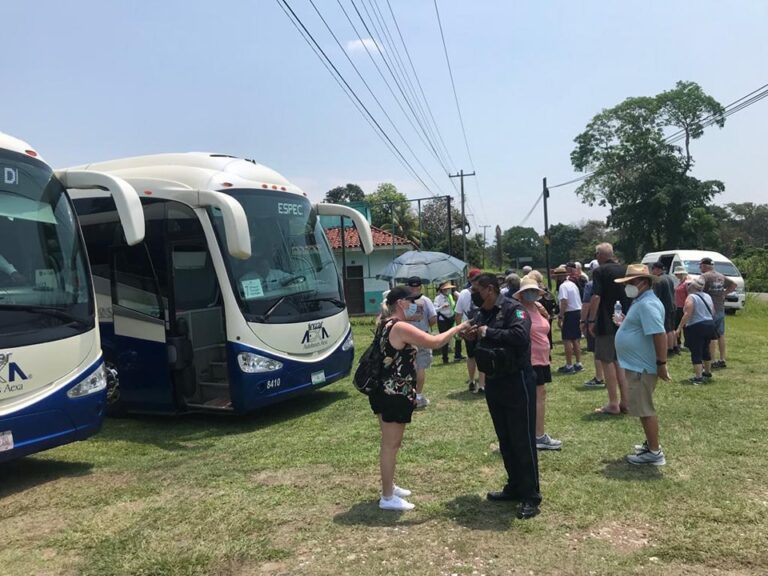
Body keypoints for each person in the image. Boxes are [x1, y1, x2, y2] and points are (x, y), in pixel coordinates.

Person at [370, 286, 469, 510]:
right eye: (412, 300)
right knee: (390, 445)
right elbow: (434, 342)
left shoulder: (386, 323)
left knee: (390, 443)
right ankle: (387, 497)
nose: (418, 304)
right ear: (401, 303)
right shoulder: (400, 326)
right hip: (393, 393)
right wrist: (459, 327)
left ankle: (389, 486)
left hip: (385, 391)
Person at [464, 273, 541, 519]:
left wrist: (488, 333)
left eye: (476, 289)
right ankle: (514, 486)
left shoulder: (512, 310)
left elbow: (519, 337)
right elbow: (478, 347)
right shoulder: (480, 314)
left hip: (517, 380)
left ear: (490, 289)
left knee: (522, 439)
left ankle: (531, 495)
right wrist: (470, 337)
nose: (473, 293)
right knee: (505, 438)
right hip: (494, 382)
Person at [613, 264, 670, 465]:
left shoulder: (647, 304)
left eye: (631, 282)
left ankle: (654, 453)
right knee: (642, 407)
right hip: (638, 365)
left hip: (642, 367)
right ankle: (650, 445)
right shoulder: (642, 301)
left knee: (645, 410)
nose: (628, 286)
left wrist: (662, 363)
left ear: (644, 283)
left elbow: (659, 334)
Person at [513, 277, 562, 451]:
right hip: (531, 359)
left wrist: (545, 314)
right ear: (521, 294)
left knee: (539, 396)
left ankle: (536, 434)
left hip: (542, 359)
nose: (531, 293)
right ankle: (537, 436)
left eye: (534, 290)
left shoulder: (537, 308)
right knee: (535, 397)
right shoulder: (520, 311)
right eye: (528, 291)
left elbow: (545, 326)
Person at [586, 243, 630, 415]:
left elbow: (596, 296)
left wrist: (590, 320)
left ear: (599, 255)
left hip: (606, 321)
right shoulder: (625, 269)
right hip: (624, 321)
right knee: (620, 361)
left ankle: (613, 403)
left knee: (606, 360)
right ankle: (626, 401)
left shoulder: (599, 271)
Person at [676, 277, 716, 384]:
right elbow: (713, 311)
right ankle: (707, 372)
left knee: (696, 350)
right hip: (709, 324)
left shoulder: (691, 297)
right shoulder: (708, 296)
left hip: (697, 326)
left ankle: (698, 377)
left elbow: (688, 313)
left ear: (693, 286)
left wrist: (679, 327)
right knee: (705, 349)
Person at [405, 277, 437, 408]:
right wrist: (427, 326)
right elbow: (433, 318)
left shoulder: (404, 301)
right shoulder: (425, 300)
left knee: (409, 366)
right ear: (420, 287)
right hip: (422, 336)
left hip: (407, 337)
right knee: (421, 367)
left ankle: (408, 394)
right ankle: (418, 396)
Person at [699, 257, 737, 369]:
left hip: (709, 309)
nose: (700, 268)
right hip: (720, 308)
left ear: (705, 266)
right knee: (721, 335)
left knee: (710, 336)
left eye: (700, 265)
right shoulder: (720, 276)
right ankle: (722, 359)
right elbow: (733, 285)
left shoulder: (704, 277)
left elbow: (696, 290)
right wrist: (724, 294)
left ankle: (712, 360)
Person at [455, 268, 484, 392]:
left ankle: (472, 380)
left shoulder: (463, 293)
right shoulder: (485, 291)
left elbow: (458, 314)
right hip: (481, 327)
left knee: (471, 356)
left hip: (469, 328)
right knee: (482, 355)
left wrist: (459, 329)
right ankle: (481, 384)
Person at [580, 264, 606, 388]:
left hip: (594, 319)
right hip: (611, 318)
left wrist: (583, 321)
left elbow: (586, 304)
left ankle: (599, 377)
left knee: (597, 349)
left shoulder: (590, 285)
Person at [556, 264, 583, 374]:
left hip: (569, 313)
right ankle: (578, 363)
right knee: (576, 339)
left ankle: (569, 365)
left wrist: (561, 316)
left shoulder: (563, 287)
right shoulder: (572, 284)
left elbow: (564, 302)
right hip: (577, 311)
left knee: (567, 339)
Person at [650, 262, 677, 355]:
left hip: (665, 306)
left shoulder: (658, 280)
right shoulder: (669, 278)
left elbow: (656, 295)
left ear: (657, 269)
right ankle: (674, 346)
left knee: (667, 329)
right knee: (672, 328)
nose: (652, 272)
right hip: (673, 305)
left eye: (652, 270)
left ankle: (669, 349)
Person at [433, 281, 459, 364]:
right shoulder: (438, 298)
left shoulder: (450, 296)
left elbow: (453, 306)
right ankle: (445, 358)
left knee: (457, 336)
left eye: (448, 289)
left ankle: (458, 355)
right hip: (443, 319)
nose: (447, 290)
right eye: (445, 289)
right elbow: (434, 309)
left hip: (451, 318)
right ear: (441, 290)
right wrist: (442, 307)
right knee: (444, 339)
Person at [672, 266, 690, 350]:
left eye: (677, 274)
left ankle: (687, 343)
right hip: (678, 306)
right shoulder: (680, 282)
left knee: (685, 326)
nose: (676, 275)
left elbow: (689, 295)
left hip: (684, 307)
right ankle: (678, 342)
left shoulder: (686, 283)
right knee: (676, 325)